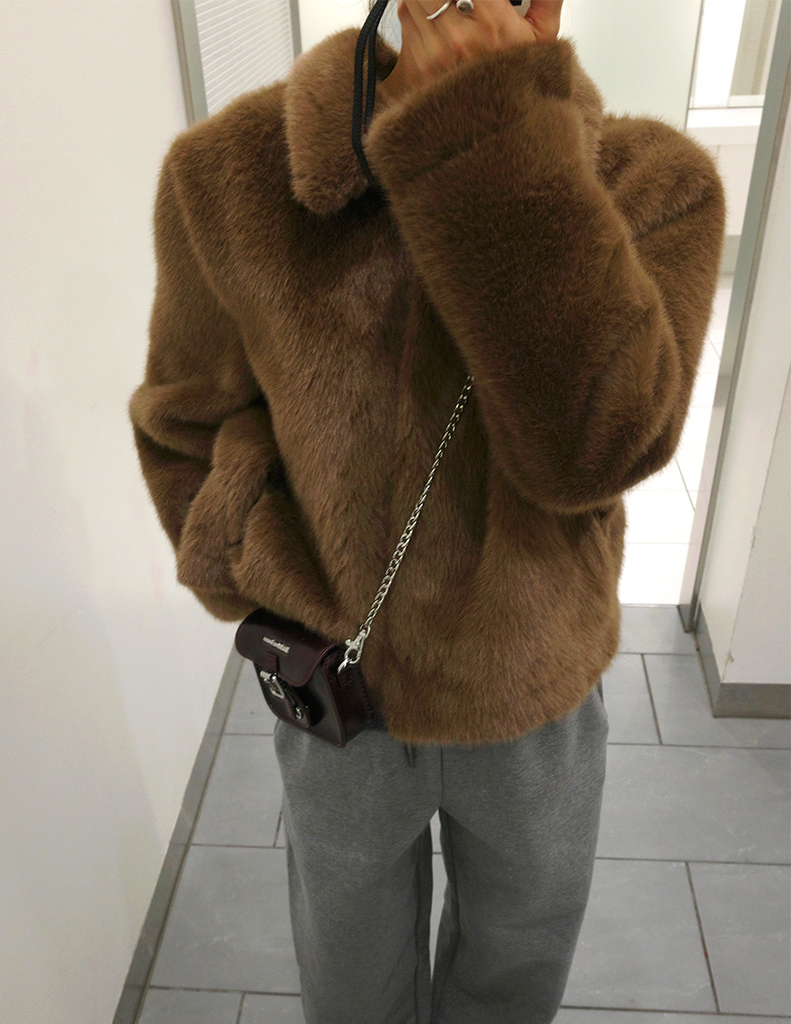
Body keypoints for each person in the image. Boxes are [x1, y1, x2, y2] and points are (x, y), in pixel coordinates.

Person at [128, 1, 726, 1020]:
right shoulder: (230, 176)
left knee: (515, 976)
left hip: (532, 689)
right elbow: (183, 422)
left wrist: (494, 139)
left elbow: (601, 450)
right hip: (338, 693)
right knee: (348, 982)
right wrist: (267, 565)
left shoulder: (649, 185)